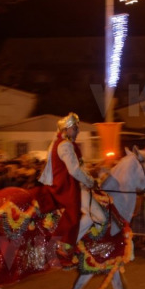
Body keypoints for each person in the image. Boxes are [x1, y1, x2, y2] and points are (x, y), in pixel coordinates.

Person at [31, 112, 95, 265]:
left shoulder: (60, 142)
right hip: (64, 184)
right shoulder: (65, 144)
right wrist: (90, 181)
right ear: (66, 129)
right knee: (74, 210)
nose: (78, 131)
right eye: (75, 128)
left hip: (66, 181)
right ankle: (61, 245)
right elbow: (74, 170)